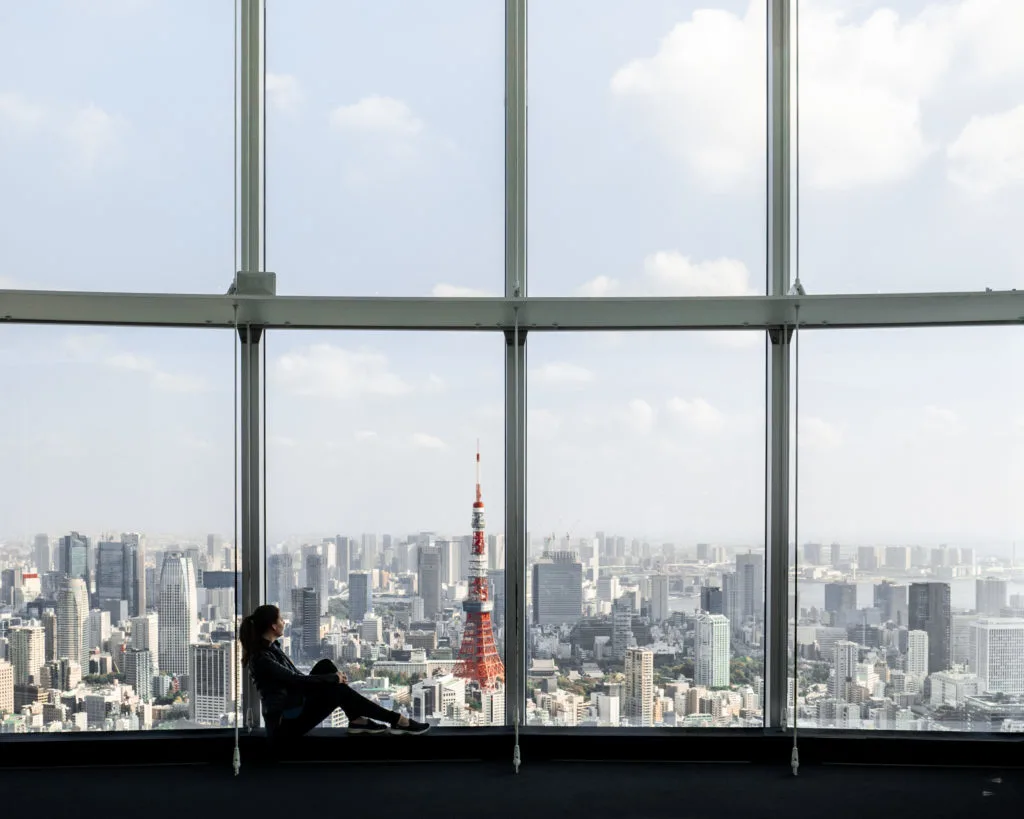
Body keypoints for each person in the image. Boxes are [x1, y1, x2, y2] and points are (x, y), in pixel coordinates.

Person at [240, 604, 429, 740]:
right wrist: (333, 679)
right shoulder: (262, 658)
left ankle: (356, 719)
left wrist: (331, 676)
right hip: (284, 725)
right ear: (273, 626)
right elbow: (295, 679)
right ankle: (397, 720)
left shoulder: (271, 648)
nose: (284, 622)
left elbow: (297, 678)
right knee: (338, 689)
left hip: (292, 707)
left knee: (325, 665)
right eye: (281, 619)